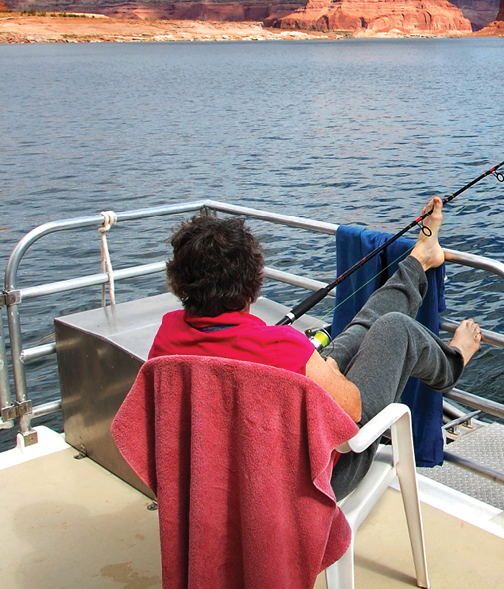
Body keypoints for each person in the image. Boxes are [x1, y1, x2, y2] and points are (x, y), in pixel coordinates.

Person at [149, 197, 482, 498]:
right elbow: (353, 408)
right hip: (306, 478)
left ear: (178, 282)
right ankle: (452, 363)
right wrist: (332, 375)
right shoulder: (282, 349)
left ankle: (418, 261)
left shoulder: (167, 336)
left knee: (359, 333)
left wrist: (324, 370)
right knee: (395, 330)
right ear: (254, 284)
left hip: (222, 474)